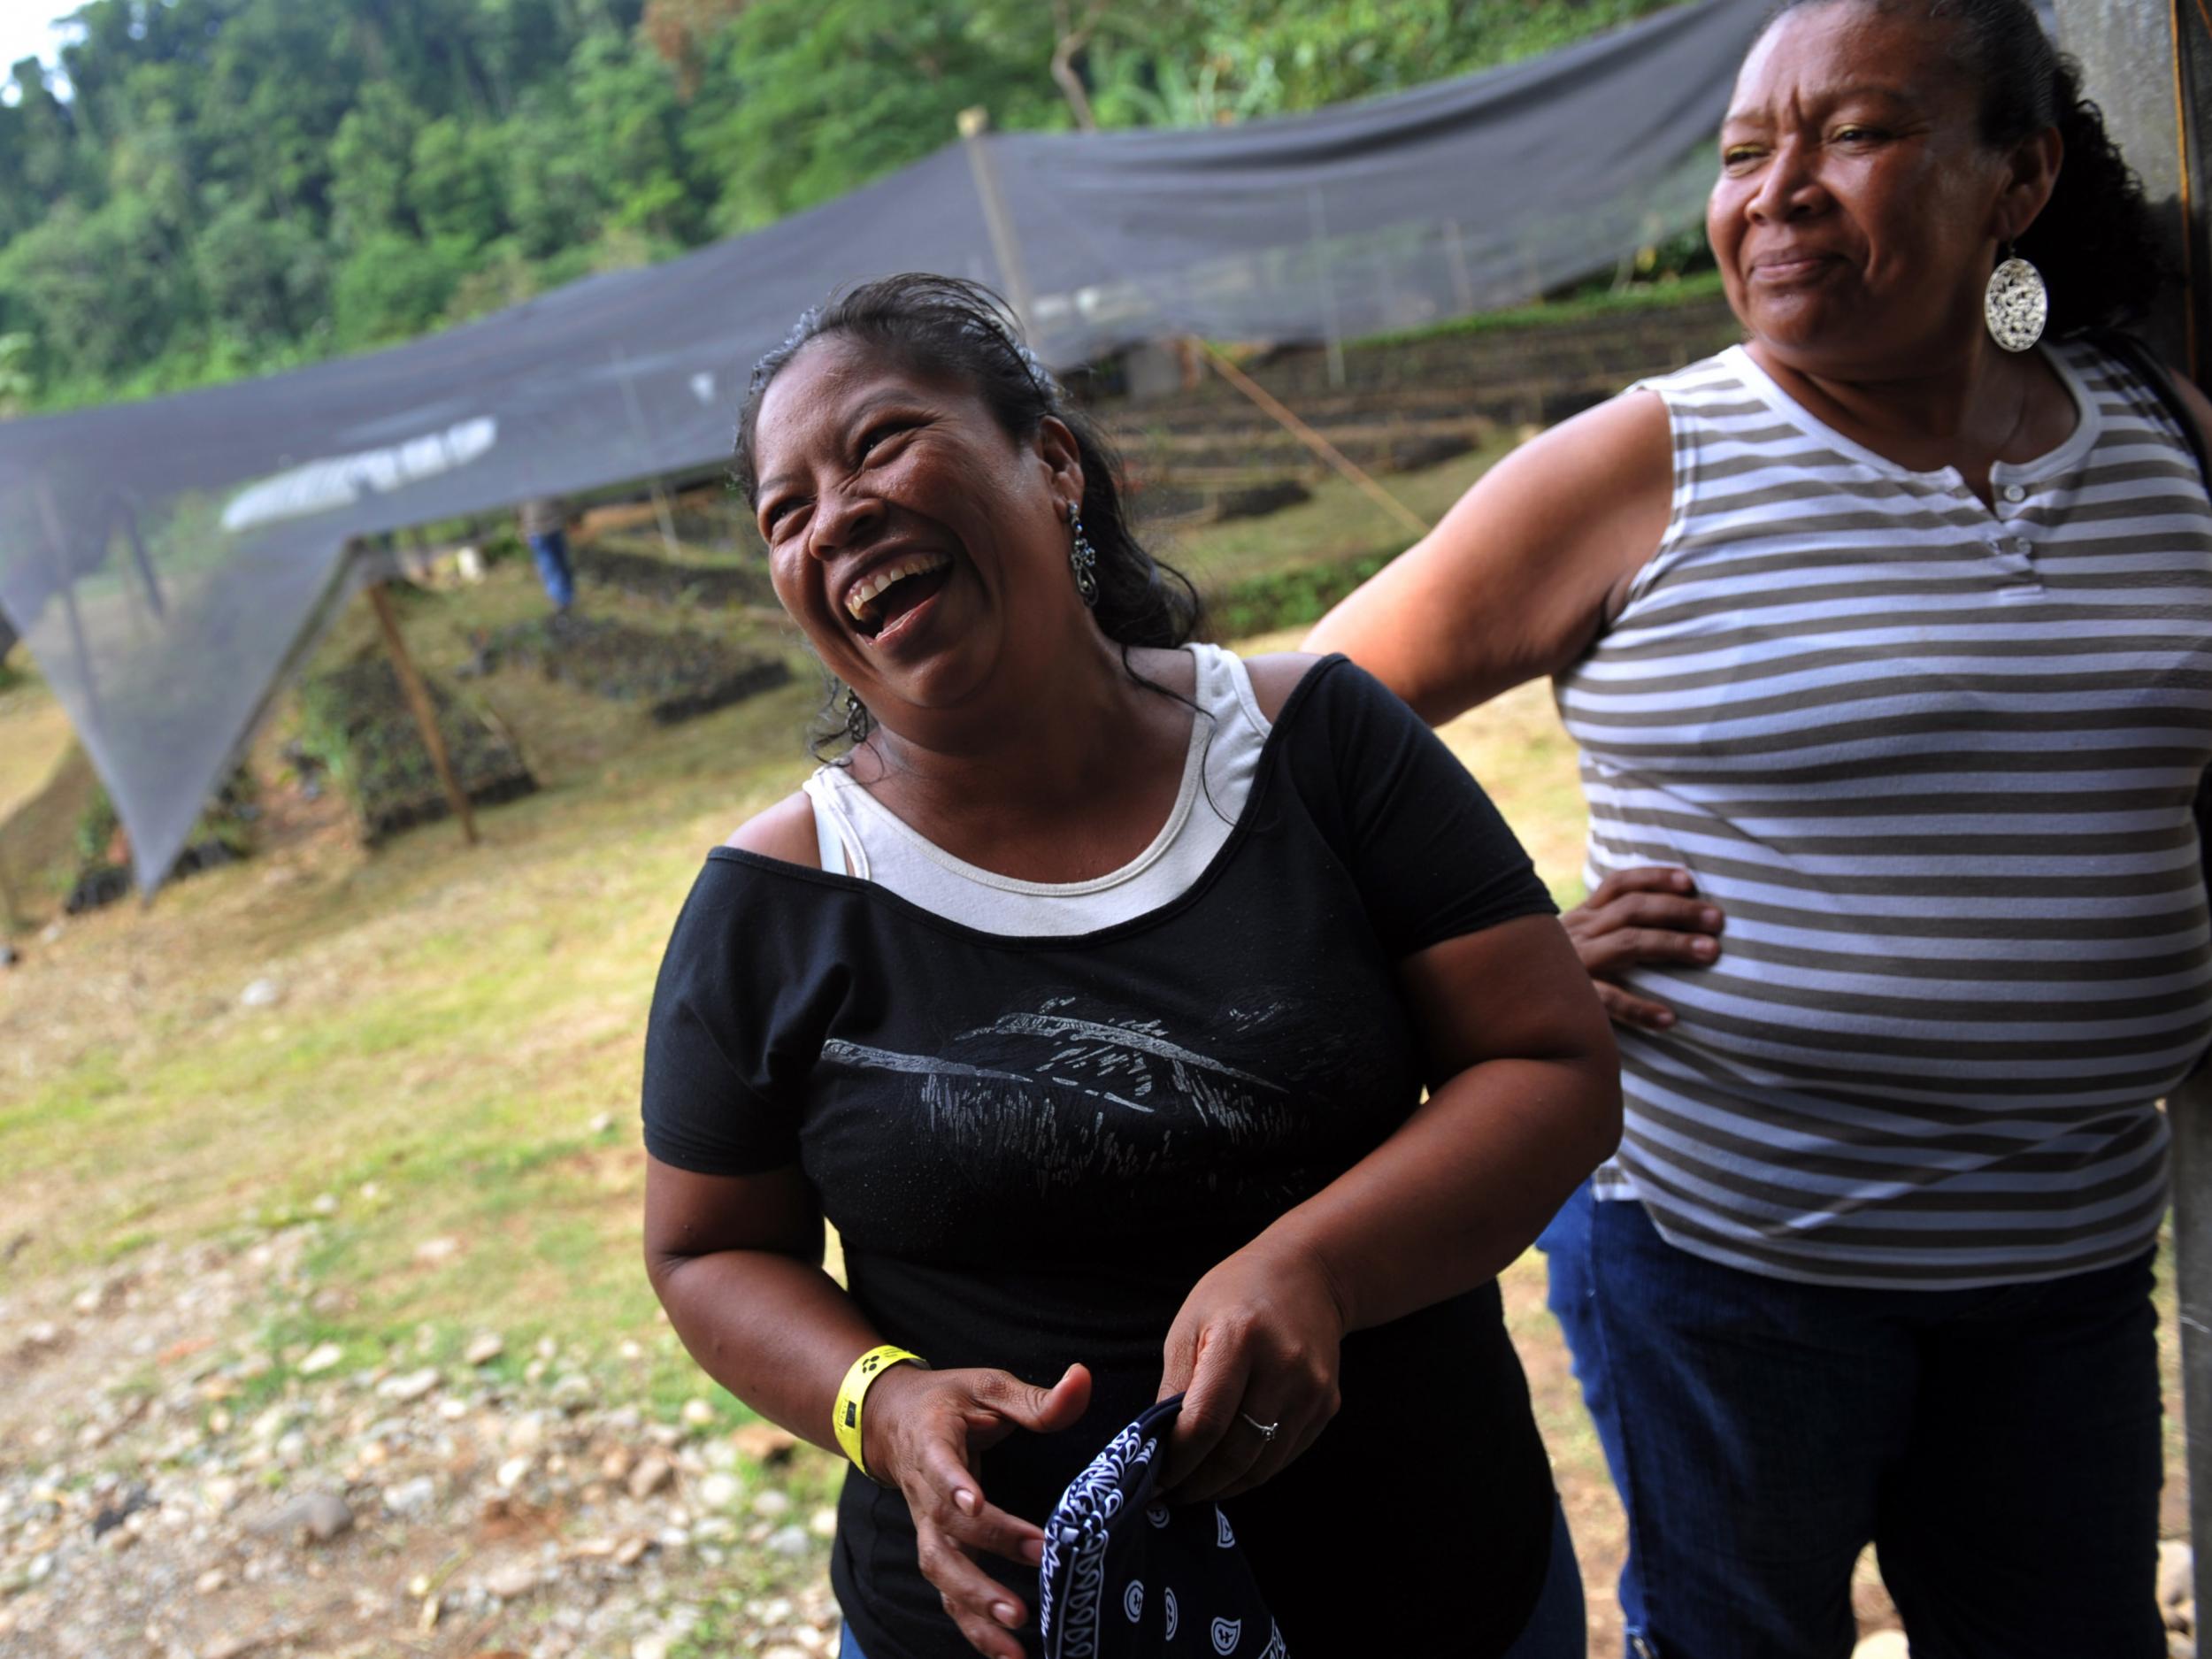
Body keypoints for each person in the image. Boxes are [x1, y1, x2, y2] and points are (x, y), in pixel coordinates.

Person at [1306, 2, 2212, 1655]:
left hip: (2066, 1266)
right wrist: (1473, 977)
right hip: (1730, 1261)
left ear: (2018, 178)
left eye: (1851, 135)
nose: (1775, 191)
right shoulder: (1644, 466)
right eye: (1742, 152)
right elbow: (1288, 731)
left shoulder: (2162, 439)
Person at [639, 274, 1621, 1659]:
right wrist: (883, 1398)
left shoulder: (1316, 748)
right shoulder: (779, 904)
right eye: (783, 511)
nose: (834, 514)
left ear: (1050, 462)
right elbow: (708, 1246)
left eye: (878, 443)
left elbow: (1550, 1064)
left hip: (1427, 1586)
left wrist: (1321, 1267)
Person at [518, 495, 574, 613]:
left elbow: (561, 499)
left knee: (559, 564)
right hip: (537, 529)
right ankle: (561, 601)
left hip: (553, 525)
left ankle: (566, 598)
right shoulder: (522, 487)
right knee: (550, 565)